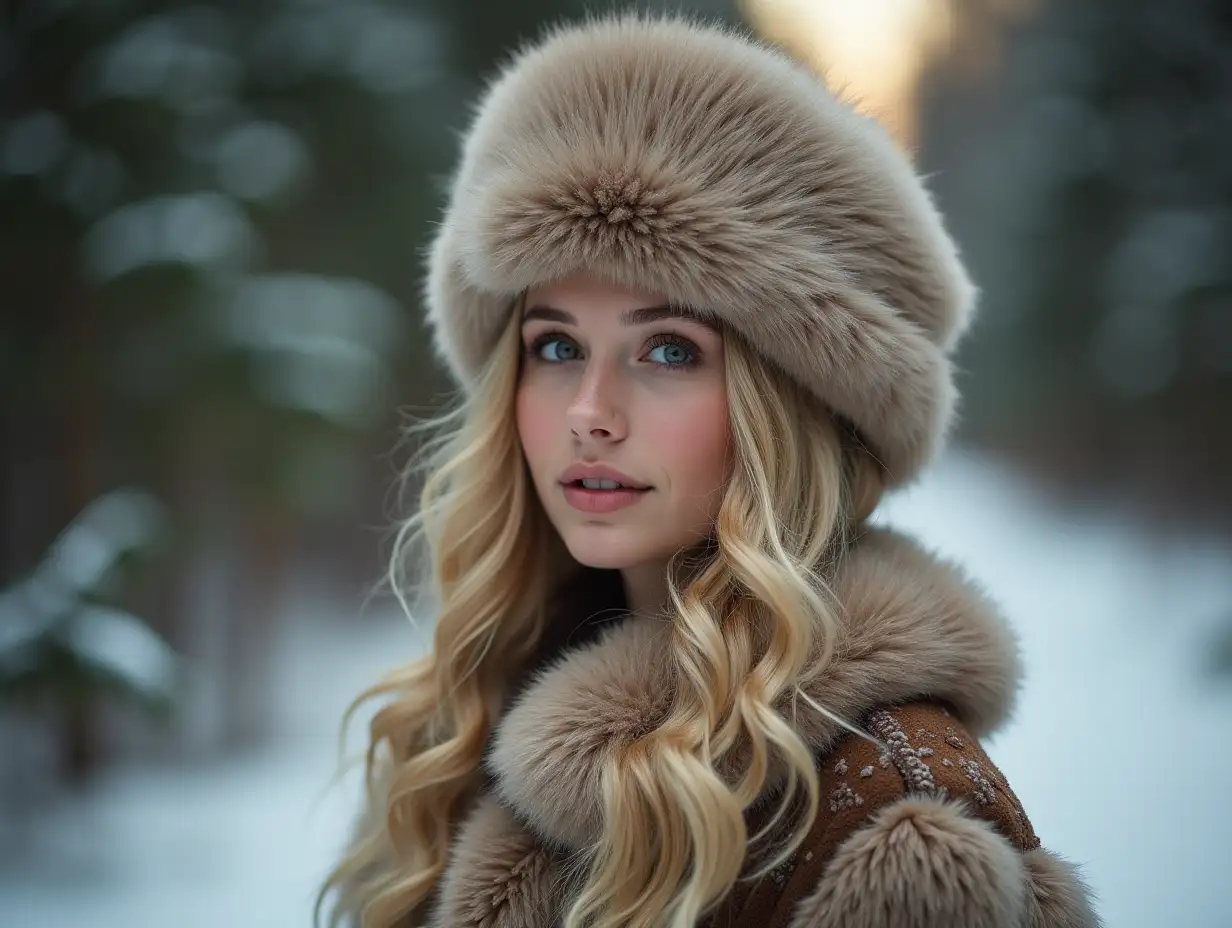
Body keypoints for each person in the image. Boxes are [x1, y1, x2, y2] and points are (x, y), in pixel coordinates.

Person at [319, 12, 1100, 928]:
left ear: (795, 408)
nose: (589, 412)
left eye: (670, 352)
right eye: (557, 344)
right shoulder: (470, 719)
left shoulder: (893, 821)